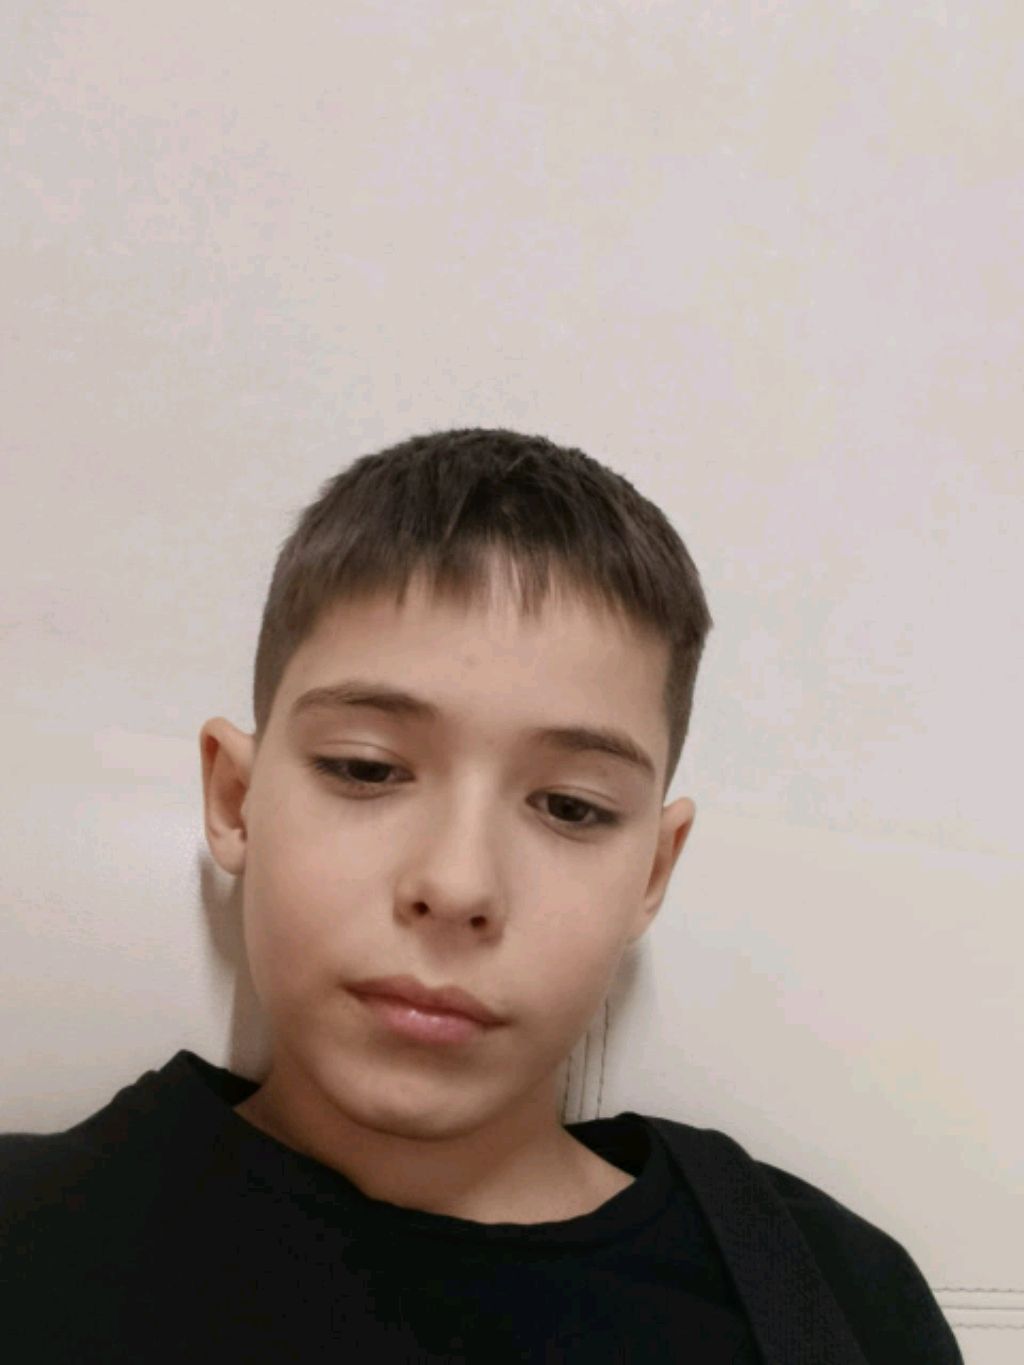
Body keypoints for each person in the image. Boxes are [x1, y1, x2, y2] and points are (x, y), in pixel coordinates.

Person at [0, 428, 961, 1362]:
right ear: (234, 799)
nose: (457, 884)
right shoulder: (34, 1238)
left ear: (653, 872)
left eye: (571, 807)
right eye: (366, 768)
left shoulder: (835, 1294)